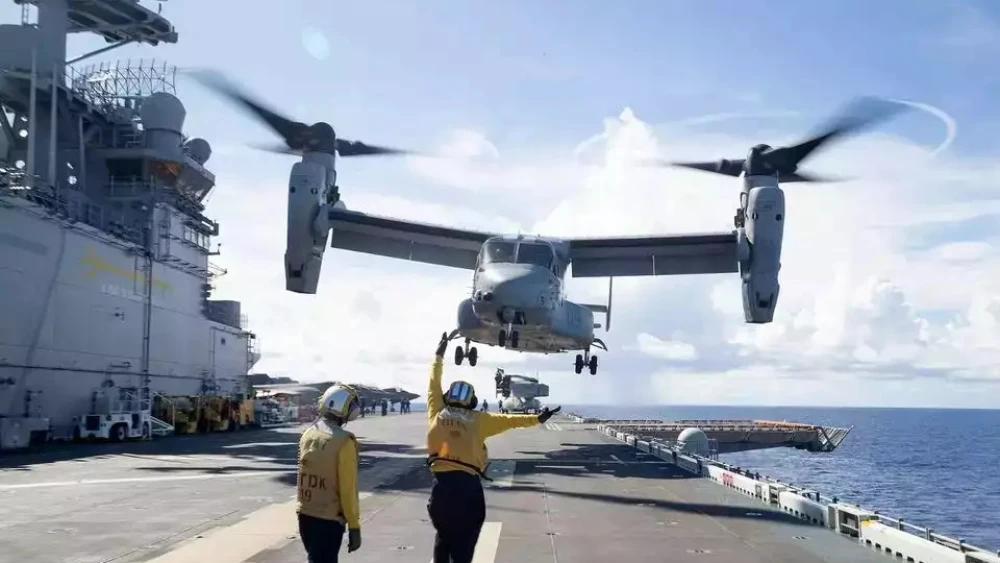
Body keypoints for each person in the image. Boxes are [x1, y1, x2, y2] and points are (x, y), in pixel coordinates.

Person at [426, 332, 561, 563]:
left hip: (441, 489)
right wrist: (538, 418)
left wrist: (439, 354)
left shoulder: (436, 411)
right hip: (468, 490)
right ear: (471, 401)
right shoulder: (478, 420)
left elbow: (433, 382)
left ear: (448, 397)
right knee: (464, 545)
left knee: (443, 537)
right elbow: (511, 420)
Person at [295, 384, 364, 562]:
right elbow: (348, 489)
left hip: (305, 514)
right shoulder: (343, 442)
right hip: (328, 519)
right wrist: (354, 526)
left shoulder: (308, 434)